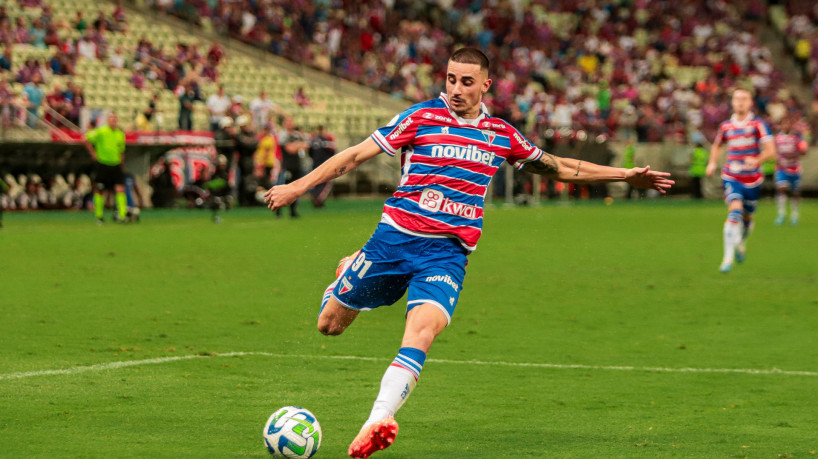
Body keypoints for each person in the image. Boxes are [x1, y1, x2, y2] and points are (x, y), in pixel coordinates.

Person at [263, 48, 673, 458]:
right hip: (394, 240)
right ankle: (348, 268)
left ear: (485, 85)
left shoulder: (500, 134)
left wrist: (624, 176)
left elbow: (557, 166)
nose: (456, 89)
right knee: (330, 326)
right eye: (451, 79)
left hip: (447, 255)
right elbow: (354, 156)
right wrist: (298, 187)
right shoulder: (420, 118)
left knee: (422, 332)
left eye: (466, 81)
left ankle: (378, 420)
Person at [706, 89, 775, 273]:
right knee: (734, 211)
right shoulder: (726, 126)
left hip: (752, 180)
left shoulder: (758, 124)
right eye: (737, 99)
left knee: (747, 219)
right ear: (732, 102)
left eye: (744, 99)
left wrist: (757, 159)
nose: (740, 102)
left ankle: (741, 242)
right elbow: (717, 145)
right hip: (731, 176)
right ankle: (727, 258)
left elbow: (771, 150)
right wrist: (712, 163)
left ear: (750, 102)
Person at [85, 112, 127, 223]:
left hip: (116, 165)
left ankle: (122, 216)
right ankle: (99, 216)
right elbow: (86, 139)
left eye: (115, 118)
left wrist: (122, 164)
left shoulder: (120, 134)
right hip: (103, 164)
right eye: (111, 118)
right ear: (108, 120)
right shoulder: (101, 131)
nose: (113, 120)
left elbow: (122, 151)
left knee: (120, 189)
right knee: (99, 190)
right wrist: (93, 154)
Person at [773, 118, 808, 226]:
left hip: (794, 169)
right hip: (782, 169)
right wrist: (776, 158)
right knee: (781, 189)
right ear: (781, 126)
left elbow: (804, 153)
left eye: (788, 124)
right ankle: (781, 214)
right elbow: (773, 151)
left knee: (795, 193)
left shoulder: (796, 138)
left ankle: (794, 215)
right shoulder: (777, 138)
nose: (786, 126)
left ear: (791, 126)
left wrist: (800, 152)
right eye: (784, 124)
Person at [275, 118, 309, 218]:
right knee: (283, 187)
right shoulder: (283, 135)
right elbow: (290, 149)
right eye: (288, 122)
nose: (290, 124)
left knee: (295, 189)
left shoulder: (297, 135)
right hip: (286, 166)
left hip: (296, 165)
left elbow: (306, 145)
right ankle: (278, 210)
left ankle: (293, 211)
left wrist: (296, 146)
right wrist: (298, 146)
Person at [308, 125, 336, 207]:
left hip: (315, 164)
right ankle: (318, 199)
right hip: (325, 165)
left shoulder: (313, 140)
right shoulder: (326, 141)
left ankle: (315, 196)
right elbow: (333, 151)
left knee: (317, 182)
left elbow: (310, 153)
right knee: (326, 183)